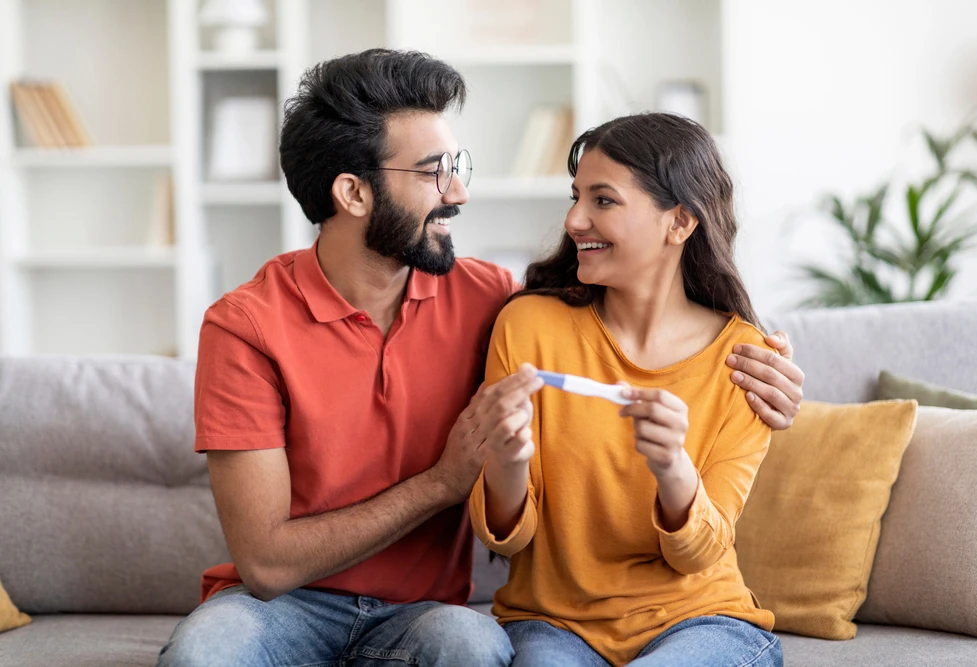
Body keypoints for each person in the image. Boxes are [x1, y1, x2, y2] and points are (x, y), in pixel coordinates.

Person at [158, 50, 803, 667]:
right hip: (282, 607)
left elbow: (625, 318)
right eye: (434, 170)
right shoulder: (245, 327)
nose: (459, 190)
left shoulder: (491, 299)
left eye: (458, 162)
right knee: (205, 653)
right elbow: (267, 563)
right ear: (353, 194)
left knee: (473, 647)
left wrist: (775, 371)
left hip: (422, 616)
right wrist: (443, 481)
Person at [472, 113, 787, 666]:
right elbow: (505, 539)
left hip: (703, 622)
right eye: (575, 198)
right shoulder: (529, 328)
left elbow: (702, 554)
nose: (574, 220)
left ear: (680, 222)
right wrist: (506, 461)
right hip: (552, 625)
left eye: (603, 200)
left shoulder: (745, 361)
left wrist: (673, 468)